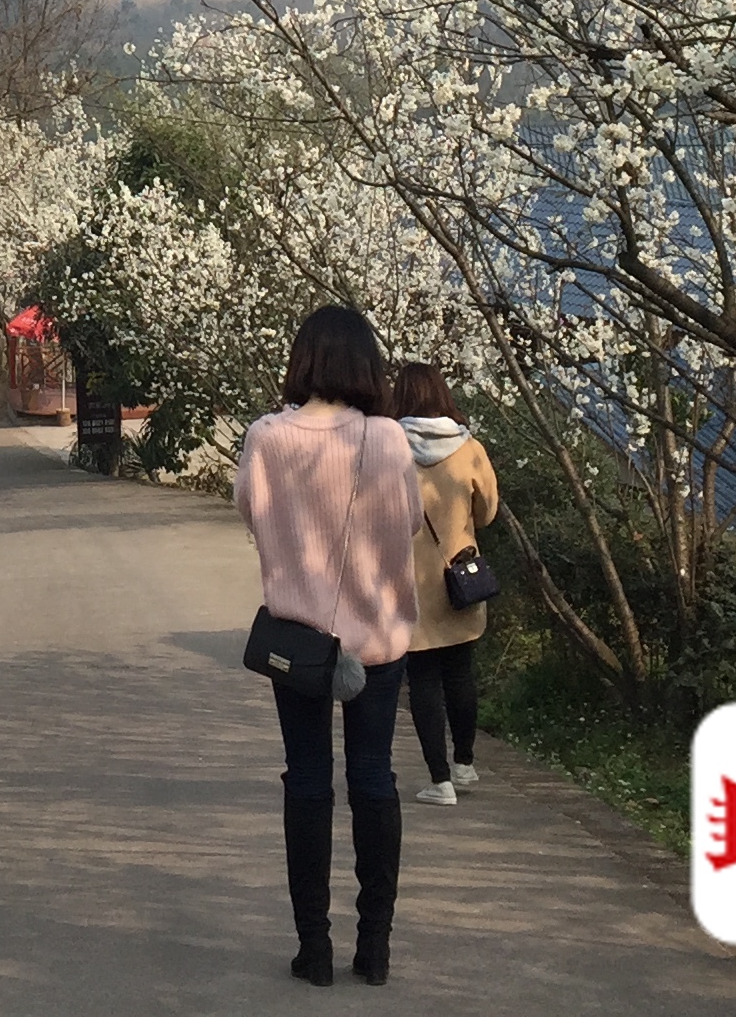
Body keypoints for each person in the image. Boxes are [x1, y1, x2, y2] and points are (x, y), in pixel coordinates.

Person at [237, 303, 420, 987]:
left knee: (308, 781)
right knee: (374, 778)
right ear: (367, 363)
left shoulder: (267, 437)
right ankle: (375, 947)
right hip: (378, 636)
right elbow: (411, 522)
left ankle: (313, 947)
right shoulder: (389, 440)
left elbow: (251, 514)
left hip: (299, 643)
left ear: (303, 359)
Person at [390, 361, 500, 806]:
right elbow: (488, 511)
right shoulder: (468, 446)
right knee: (460, 673)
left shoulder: (389, 447)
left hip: (410, 581)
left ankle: (440, 780)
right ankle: (465, 763)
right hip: (460, 579)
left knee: (423, 681)